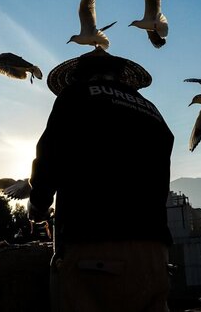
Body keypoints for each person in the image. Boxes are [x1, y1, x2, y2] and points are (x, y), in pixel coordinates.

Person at [28, 47, 174, 312]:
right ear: (120, 76)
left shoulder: (75, 97)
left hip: (96, 247)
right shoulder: (153, 111)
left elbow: (50, 156)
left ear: (79, 76)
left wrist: (38, 204)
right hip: (155, 252)